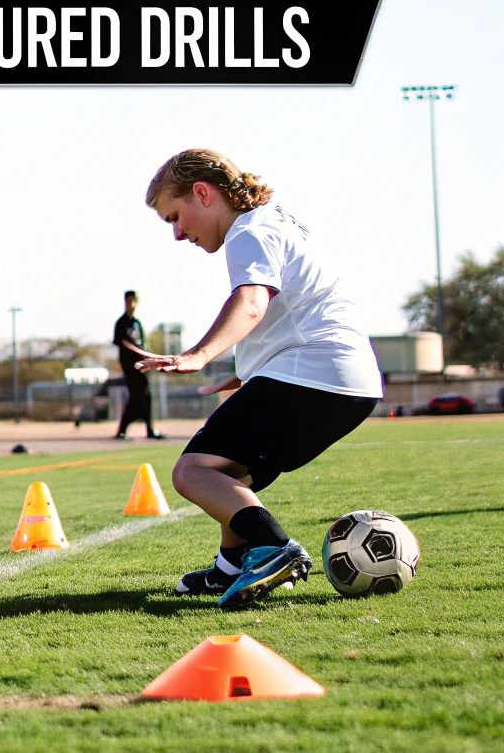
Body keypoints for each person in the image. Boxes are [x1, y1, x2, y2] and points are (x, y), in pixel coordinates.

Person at [137, 149, 381, 609]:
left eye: (175, 215)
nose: (176, 233)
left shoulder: (248, 231)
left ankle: (274, 552)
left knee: (192, 472)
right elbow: (296, 310)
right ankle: (231, 566)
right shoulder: (276, 222)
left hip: (313, 373)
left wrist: (200, 354)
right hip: (348, 383)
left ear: (203, 193)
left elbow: (252, 301)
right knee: (230, 471)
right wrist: (245, 375)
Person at [111, 290, 164, 440]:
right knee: (136, 397)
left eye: (133, 301)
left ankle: (149, 429)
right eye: (128, 301)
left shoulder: (137, 323)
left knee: (146, 396)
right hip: (130, 366)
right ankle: (122, 431)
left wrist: (149, 357)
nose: (131, 304)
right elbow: (124, 343)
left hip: (142, 366)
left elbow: (143, 344)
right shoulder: (121, 323)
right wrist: (138, 352)